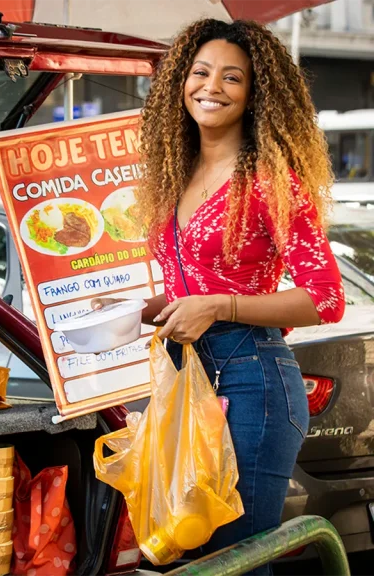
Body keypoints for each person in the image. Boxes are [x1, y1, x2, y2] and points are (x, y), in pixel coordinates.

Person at [91, 20, 344, 574]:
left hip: (254, 381)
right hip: (189, 380)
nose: (212, 86)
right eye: (200, 72)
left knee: (238, 563)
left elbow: (325, 299)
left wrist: (219, 306)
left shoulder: (273, 181)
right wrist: (148, 308)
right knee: (188, 557)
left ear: (256, 95)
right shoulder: (176, 174)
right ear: (180, 82)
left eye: (233, 77)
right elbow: (197, 285)